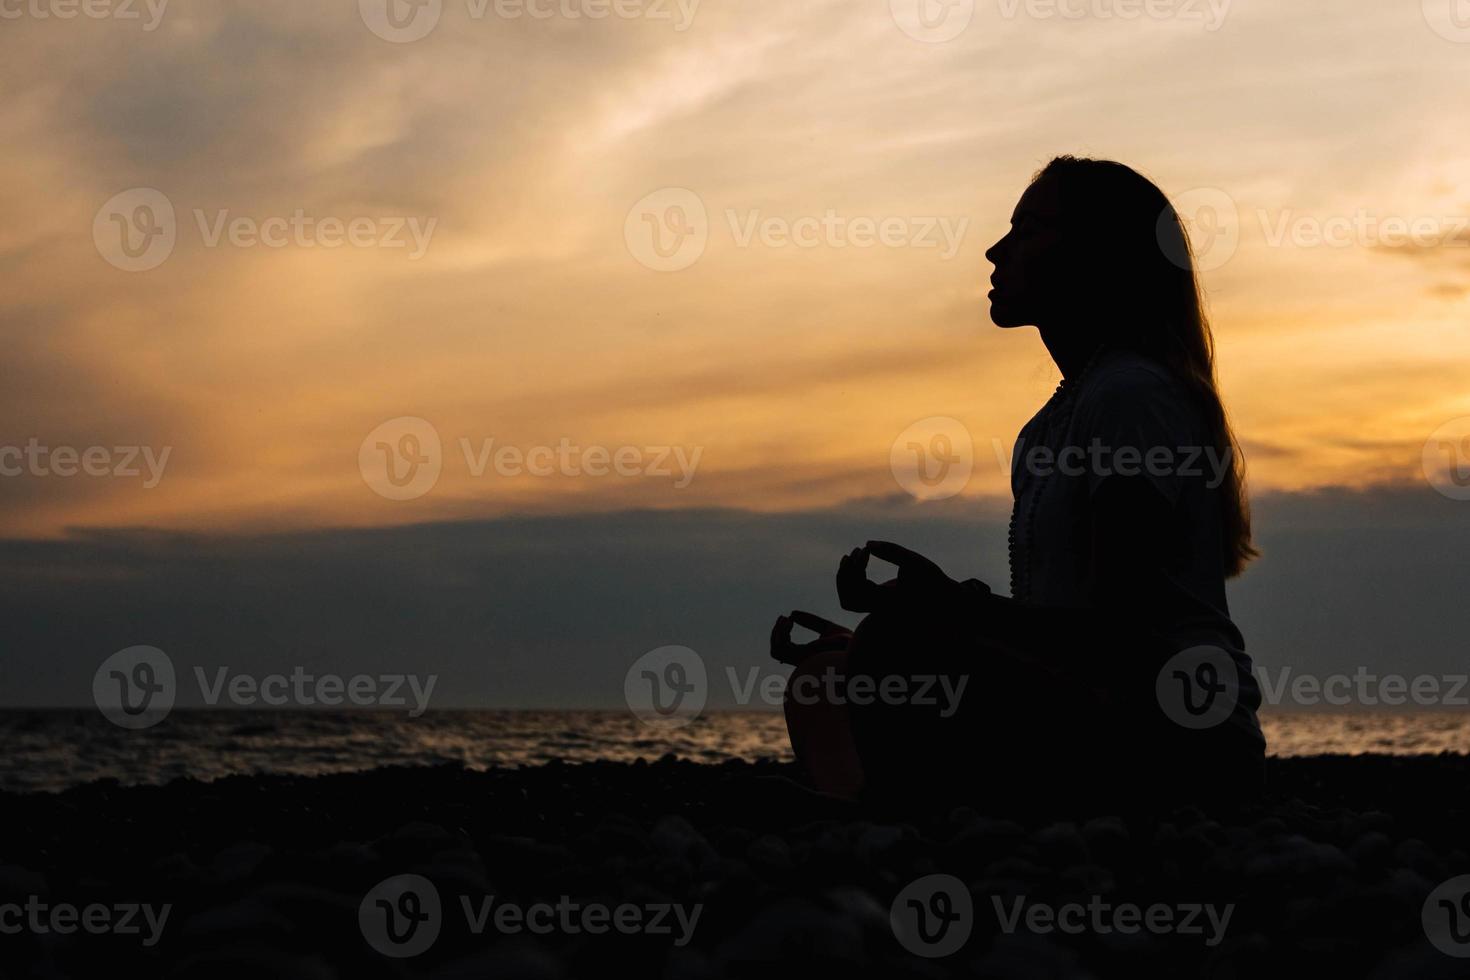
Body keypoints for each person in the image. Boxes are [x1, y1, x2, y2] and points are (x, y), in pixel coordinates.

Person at [773, 156, 1265, 811]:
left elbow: (1118, 633)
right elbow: (1056, 631)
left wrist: (949, 610)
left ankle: (890, 802)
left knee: (894, 651)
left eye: (1027, 230)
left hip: (1173, 723)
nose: (995, 250)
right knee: (833, 672)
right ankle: (884, 794)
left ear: (1097, 253)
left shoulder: (1130, 398)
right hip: (1099, 702)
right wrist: (908, 624)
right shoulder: (1052, 425)